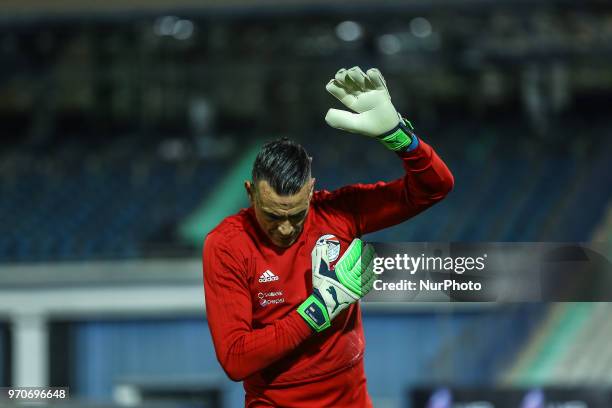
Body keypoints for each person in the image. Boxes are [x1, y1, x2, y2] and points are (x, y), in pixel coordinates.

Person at [203, 66, 454, 407]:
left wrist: (398, 136)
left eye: (296, 215)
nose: (285, 228)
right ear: (250, 193)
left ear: (311, 191)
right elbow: (236, 359)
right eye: (272, 216)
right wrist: (322, 307)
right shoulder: (227, 245)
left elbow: (434, 188)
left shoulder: (340, 212)